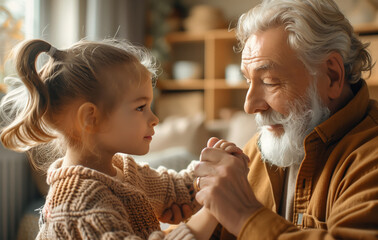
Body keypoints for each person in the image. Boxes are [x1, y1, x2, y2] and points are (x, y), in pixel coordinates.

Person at [192, 0, 378, 239]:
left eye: (270, 81)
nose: (249, 105)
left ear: (332, 76)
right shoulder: (262, 147)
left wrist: (245, 217)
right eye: (248, 81)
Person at [0, 38, 244, 239]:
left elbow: (176, 189)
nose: (155, 118)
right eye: (141, 107)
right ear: (90, 118)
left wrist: (215, 170)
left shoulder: (123, 171)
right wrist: (212, 210)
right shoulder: (78, 205)